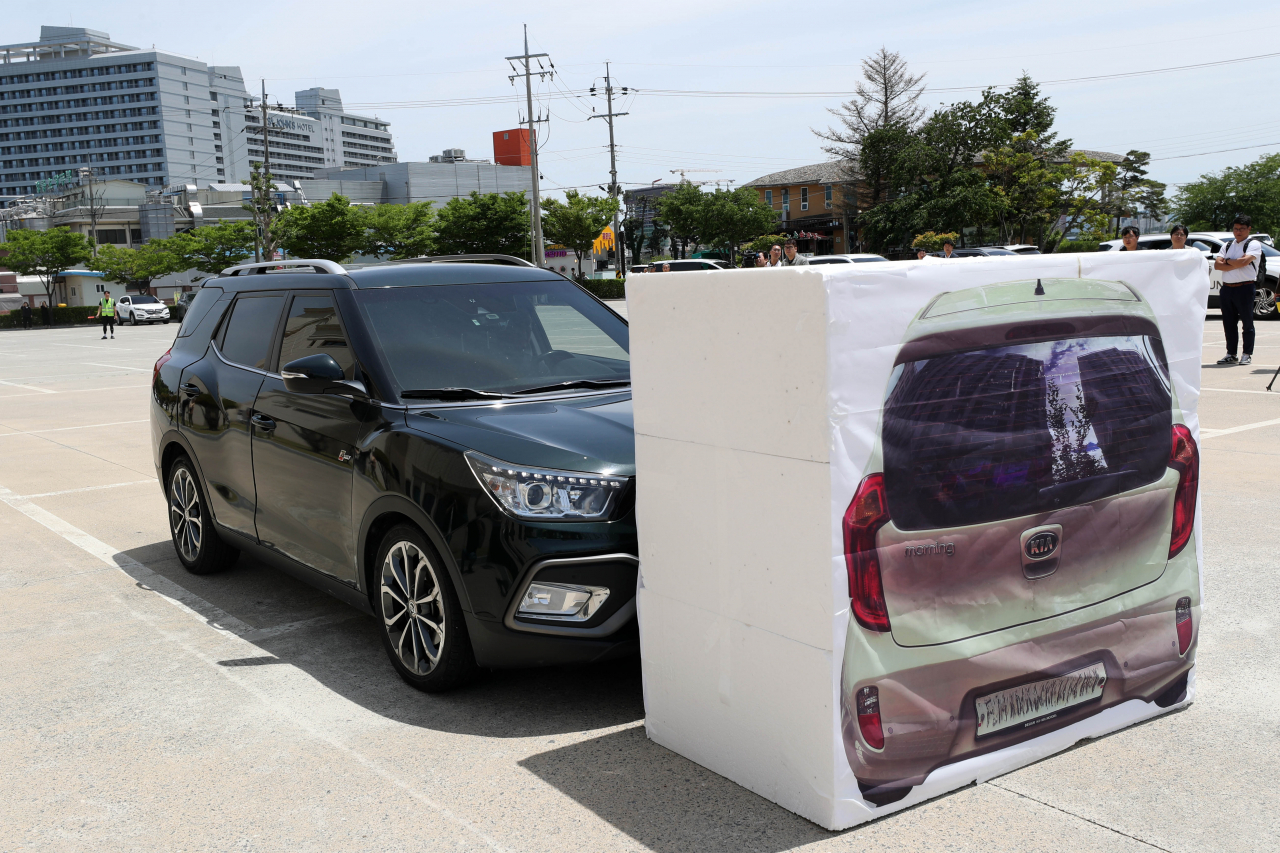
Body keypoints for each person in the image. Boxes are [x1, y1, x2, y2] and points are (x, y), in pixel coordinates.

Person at [1215, 214, 1262, 366]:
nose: (1238, 232)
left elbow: (1244, 262)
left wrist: (1227, 261)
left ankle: (1247, 353)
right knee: (1229, 323)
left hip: (1245, 287)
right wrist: (1235, 262)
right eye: (1236, 229)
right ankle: (1231, 353)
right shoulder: (1228, 245)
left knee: (1247, 322)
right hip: (1227, 288)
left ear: (1249, 229)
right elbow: (1217, 265)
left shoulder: (1253, 244)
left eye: (1242, 229)